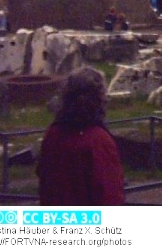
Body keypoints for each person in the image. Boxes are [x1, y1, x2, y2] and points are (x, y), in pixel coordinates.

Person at [36, 67, 125, 205]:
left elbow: (45, 182)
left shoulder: (52, 134)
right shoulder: (98, 140)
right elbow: (108, 194)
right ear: (99, 99)